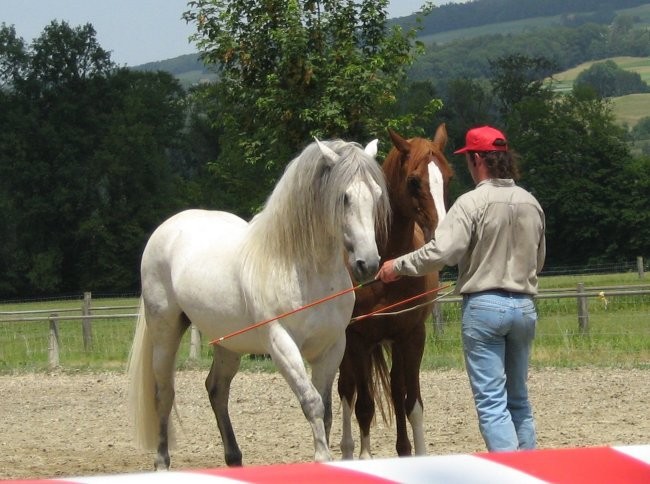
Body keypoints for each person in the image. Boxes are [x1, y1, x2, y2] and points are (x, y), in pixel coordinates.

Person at [376, 125, 546, 452]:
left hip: (485, 308)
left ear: (478, 159)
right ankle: (530, 469)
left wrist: (396, 266)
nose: (468, 165)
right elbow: (538, 261)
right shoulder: (531, 202)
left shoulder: (470, 204)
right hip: (524, 307)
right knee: (519, 400)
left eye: (469, 159)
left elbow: (441, 253)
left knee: (492, 403)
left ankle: (510, 475)